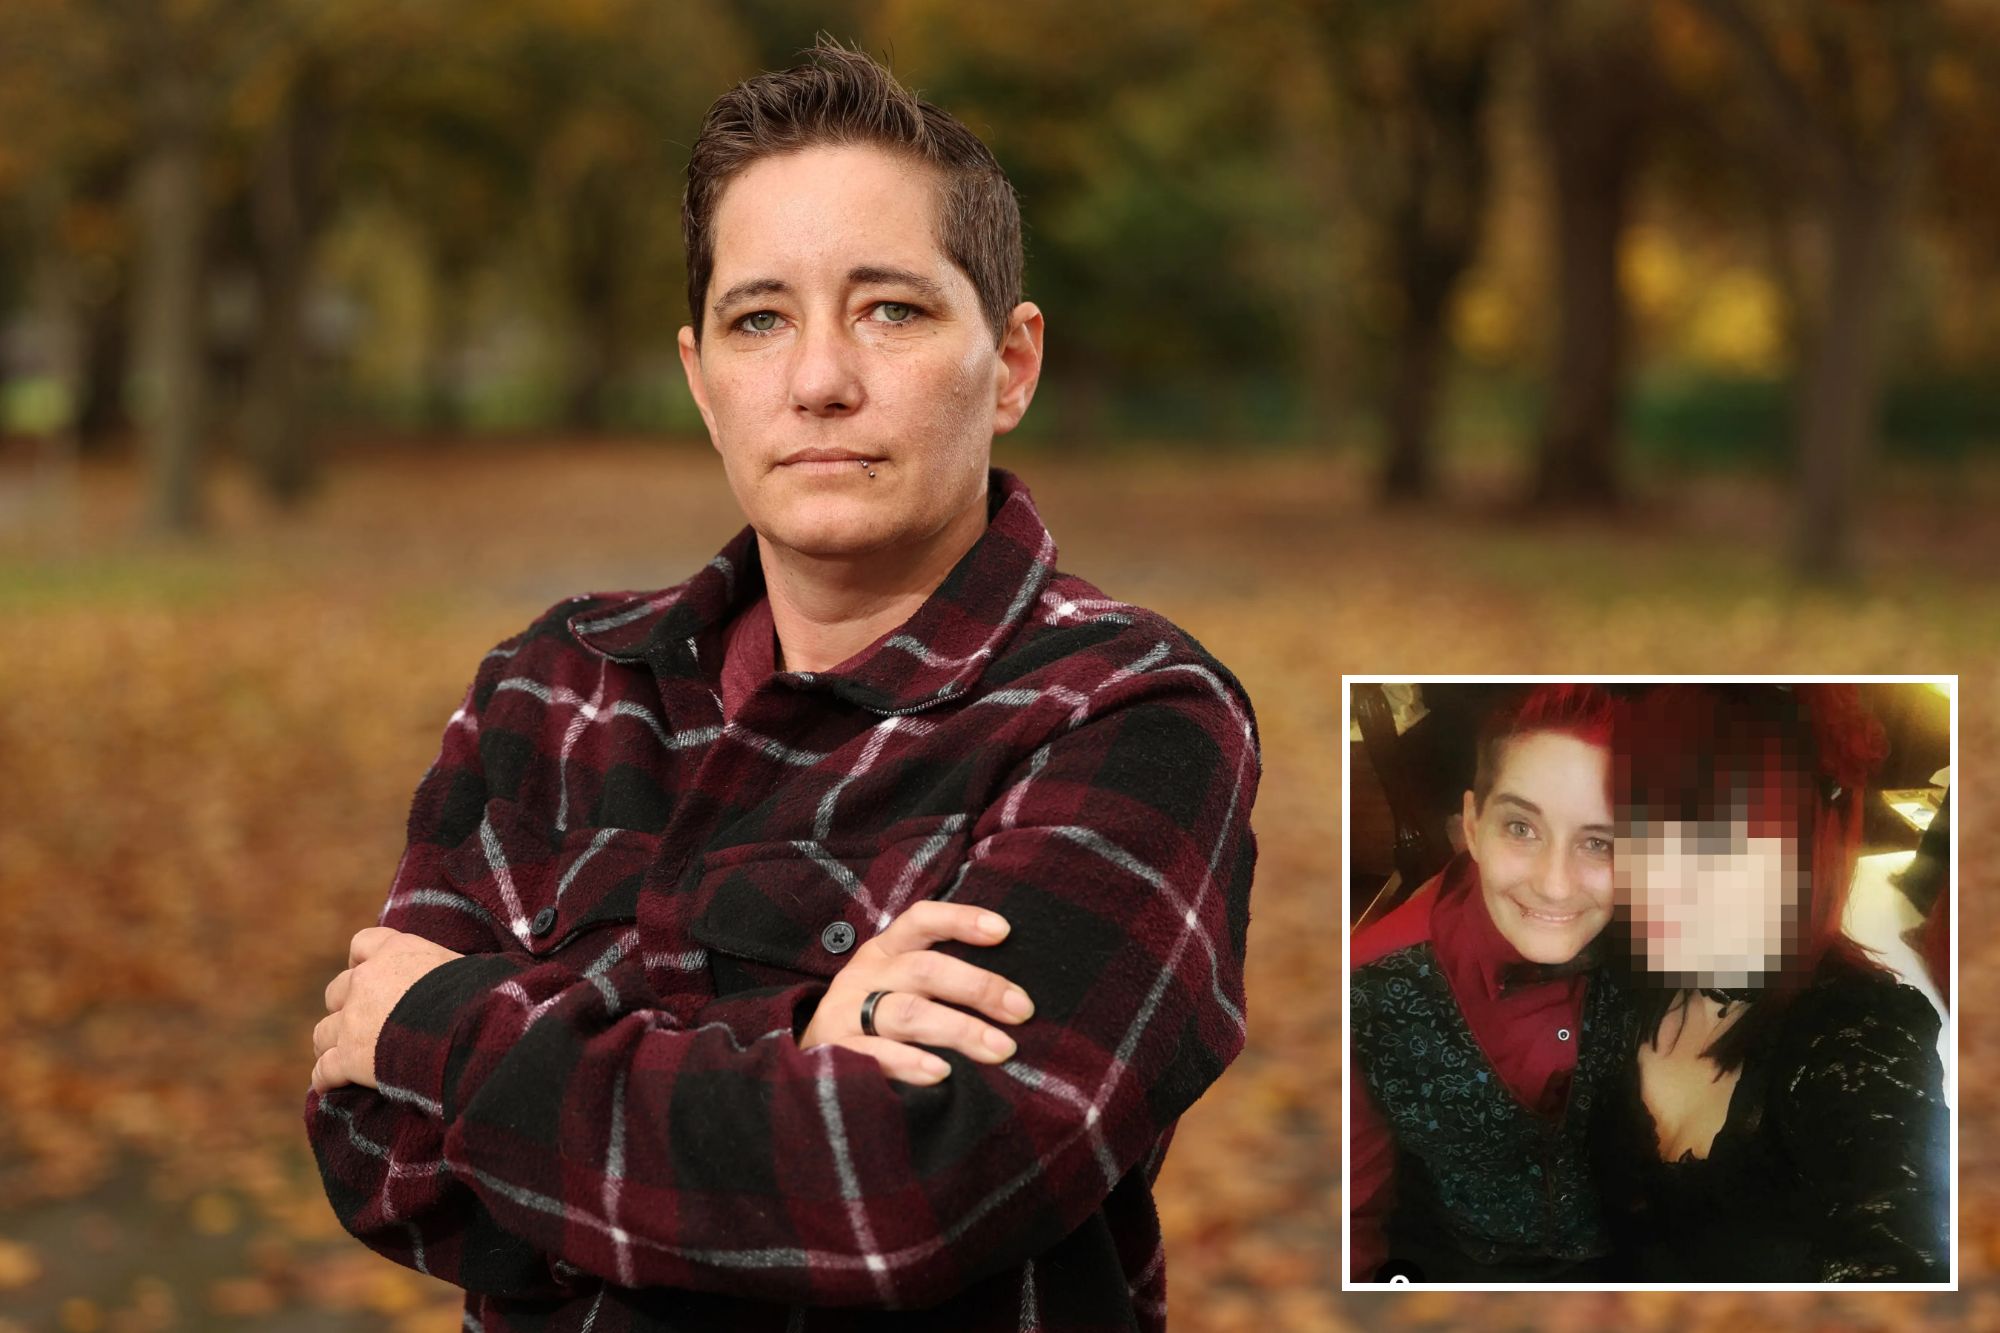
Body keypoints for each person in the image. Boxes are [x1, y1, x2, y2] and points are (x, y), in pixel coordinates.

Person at [303, 42, 1259, 1333]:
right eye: (762, 318)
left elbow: (910, 1193)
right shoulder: (556, 684)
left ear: (1014, 363)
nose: (819, 380)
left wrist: (447, 1032)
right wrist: (809, 1039)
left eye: (892, 309)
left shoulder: (1130, 712)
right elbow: (376, 1155)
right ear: (703, 379)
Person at [1594, 684, 1949, 1282]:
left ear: (1804, 853)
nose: (1657, 871)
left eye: (1718, 838)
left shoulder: (1856, 1036)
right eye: (1640, 822)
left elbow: (1896, 1250)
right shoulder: (1619, 970)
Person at [1349, 683, 1632, 1282]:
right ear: (1472, 826)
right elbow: (1346, 1227)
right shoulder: (1362, 992)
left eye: (1599, 841)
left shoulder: (1663, 941)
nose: (1556, 885)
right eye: (1521, 829)